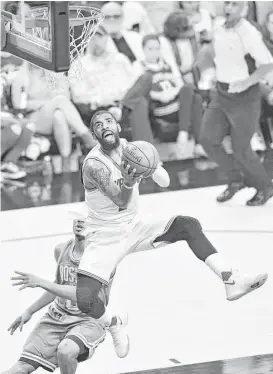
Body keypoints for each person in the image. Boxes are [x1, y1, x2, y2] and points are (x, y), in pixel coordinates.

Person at [75, 109, 268, 357]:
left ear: (118, 127)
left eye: (108, 121)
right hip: (104, 235)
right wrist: (130, 180)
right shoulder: (93, 165)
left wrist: (152, 165)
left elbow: (164, 182)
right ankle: (114, 324)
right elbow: (121, 200)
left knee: (187, 224)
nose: (104, 126)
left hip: (134, 226)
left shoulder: (131, 148)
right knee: (84, 299)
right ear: (93, 134)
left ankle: (231, 280)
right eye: (98, 124)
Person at [5, 219, 120, 374]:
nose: (81, 221)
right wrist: (29, 311)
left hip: (88, 320)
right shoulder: (61, 250)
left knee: (65, 350)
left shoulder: (102, 259)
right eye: (79, 218)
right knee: (21, 367)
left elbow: (81, 295)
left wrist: (40, 281)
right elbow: (58, 286)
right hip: (57, 316)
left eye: (87, 219)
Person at [199, 1, 273, 206]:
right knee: (207, 139)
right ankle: (235, 179)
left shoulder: (248, 32)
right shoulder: (219, 24)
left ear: (245, 8)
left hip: (245, 96)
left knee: (241, 147)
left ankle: (265, 186)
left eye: (235, 4)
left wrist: (247, 82)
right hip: (222, 91)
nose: (229, 7)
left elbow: (267, 63)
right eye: (227, 2)